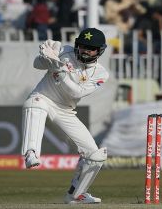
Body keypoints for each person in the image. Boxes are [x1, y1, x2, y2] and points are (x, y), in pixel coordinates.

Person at [21, 28, 109, 204]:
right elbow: (37, 64)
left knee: (95, 155)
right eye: (83, 46)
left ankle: (76, 194)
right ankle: (31, 153)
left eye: (90, 48)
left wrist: (60, 70)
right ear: (77, 45)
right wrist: (47, 57)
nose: (85, 50)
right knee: (34, 103)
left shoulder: (101, 74)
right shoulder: (65, 51)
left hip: (66, 110)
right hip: (44, 98)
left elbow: (76, 92)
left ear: (99, 51)